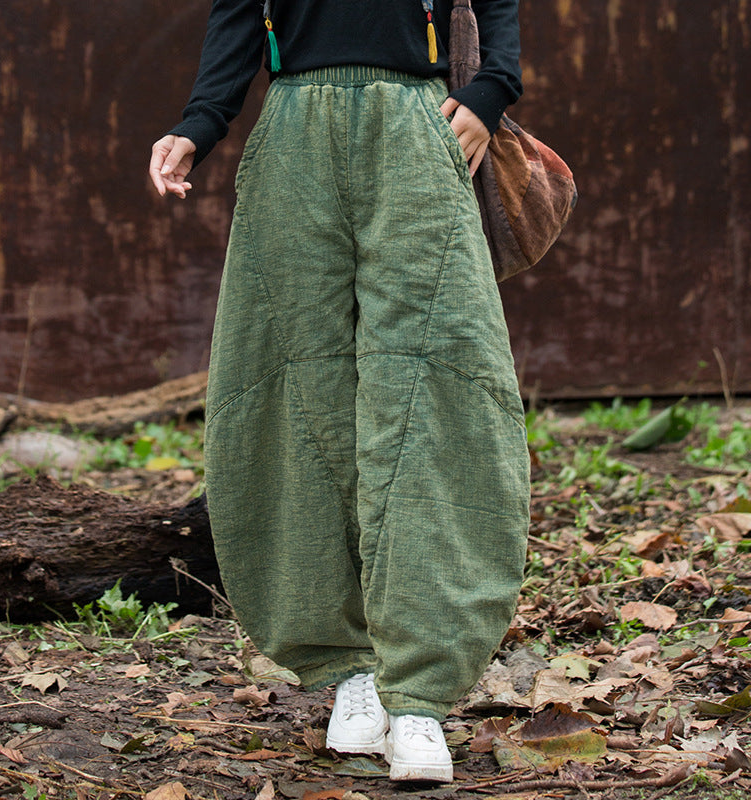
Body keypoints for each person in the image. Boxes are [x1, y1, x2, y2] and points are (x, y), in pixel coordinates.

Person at [149, 0, 529, 783]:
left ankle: (420, 696)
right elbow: (237, 12)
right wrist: (199, 122)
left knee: (437, 389)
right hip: (292, 130)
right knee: (294, 395)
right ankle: (348, 668)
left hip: (417, 122)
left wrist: (493, 89)